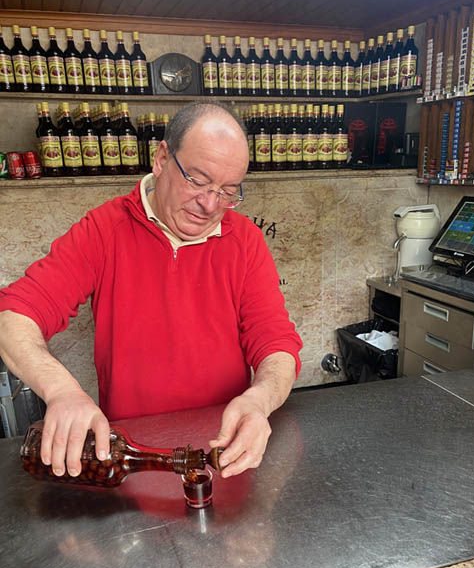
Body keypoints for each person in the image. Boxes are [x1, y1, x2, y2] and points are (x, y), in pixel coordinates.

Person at [0, 101, 302, 480]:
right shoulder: (104, 230)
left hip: (225, 450)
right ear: (161, 159)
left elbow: (276, 343)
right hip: (134, 457)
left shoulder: (245, 240)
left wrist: (259, 401)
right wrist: (62, 391)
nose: (210, 204)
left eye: (227, 191)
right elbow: (14, 315)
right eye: (197, 180)